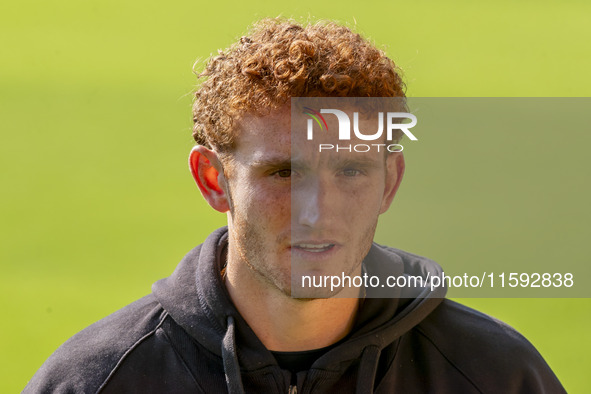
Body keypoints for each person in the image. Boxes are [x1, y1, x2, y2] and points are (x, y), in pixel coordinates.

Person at [25, 18, 565, 393]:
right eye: (282, 173)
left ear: (389, 181)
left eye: (351, 171)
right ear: (213, 179)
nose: (317, 211)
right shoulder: (94, 381)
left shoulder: (497, 376)